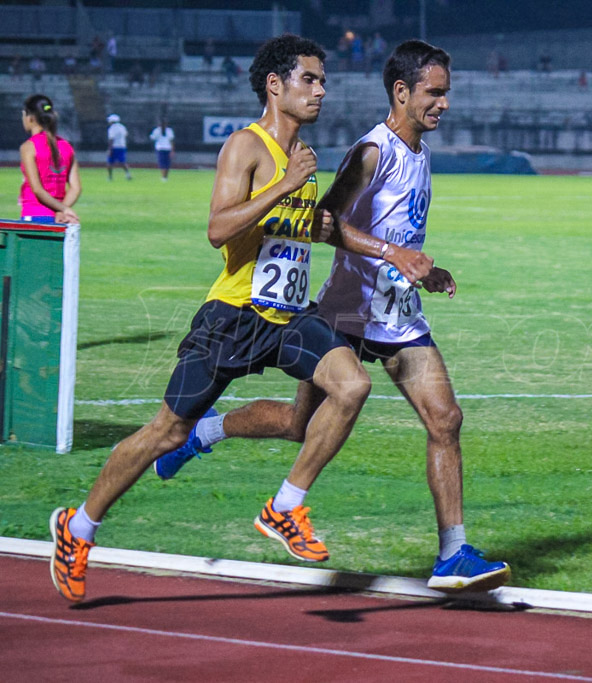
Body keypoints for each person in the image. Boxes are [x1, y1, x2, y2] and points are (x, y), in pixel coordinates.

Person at [155, 39, 511, 595]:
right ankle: (206, 431)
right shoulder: (373, 151)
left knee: (446, 419)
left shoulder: (420, 150)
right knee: (300, 427)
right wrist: (395, 255)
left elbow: (399, 230)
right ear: (402, 92)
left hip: (397, 314)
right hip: (347, 310)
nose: (444, 103)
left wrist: (423, 268)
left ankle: (452, 552)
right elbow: (325, 222)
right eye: (434, 93)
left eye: (446, 93)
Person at [48, 34, 368, 604]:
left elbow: (300, 233)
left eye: (323, 81)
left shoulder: (304, 161)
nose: (321, 90)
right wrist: (286, 185)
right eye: (310, 79)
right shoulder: (247, 148)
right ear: (277, 84)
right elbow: (219, 229)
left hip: (289, 316)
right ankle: (78, 529)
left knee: (352, 385)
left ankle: (285, 507)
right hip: (233, 316)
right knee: (163, 432)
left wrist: (385, 252)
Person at [19, 94, 80, 224]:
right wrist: (61, 210)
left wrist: (63, 209)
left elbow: (37, 189)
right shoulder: (67, 146)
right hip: (62, 220)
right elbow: (76, 188)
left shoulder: (29, 147)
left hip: (34, 216)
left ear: (30, 118)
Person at [106, 114, 131, 181]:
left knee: (110, 162)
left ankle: (110, 177)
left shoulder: (112, 128)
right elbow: (126, 134)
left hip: (114, 147)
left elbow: (111, 139)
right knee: (122, 162)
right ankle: (128, 174)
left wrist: (109, 149)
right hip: (122, 146)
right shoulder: (122, 127)